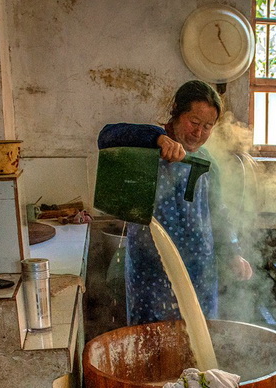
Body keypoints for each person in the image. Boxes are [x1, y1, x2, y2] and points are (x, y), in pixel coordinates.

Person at [98, 80, 252, 325]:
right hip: (152, 272)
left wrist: (233, 254)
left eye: (207, 126)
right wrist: (157, 138)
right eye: (194, 122)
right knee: (152, 338)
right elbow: (107, 135)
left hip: (200, 273)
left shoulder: (207, 163)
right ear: (176, 113)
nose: (198, 133)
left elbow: (218, 213)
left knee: (196, 339)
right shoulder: (147, 149)